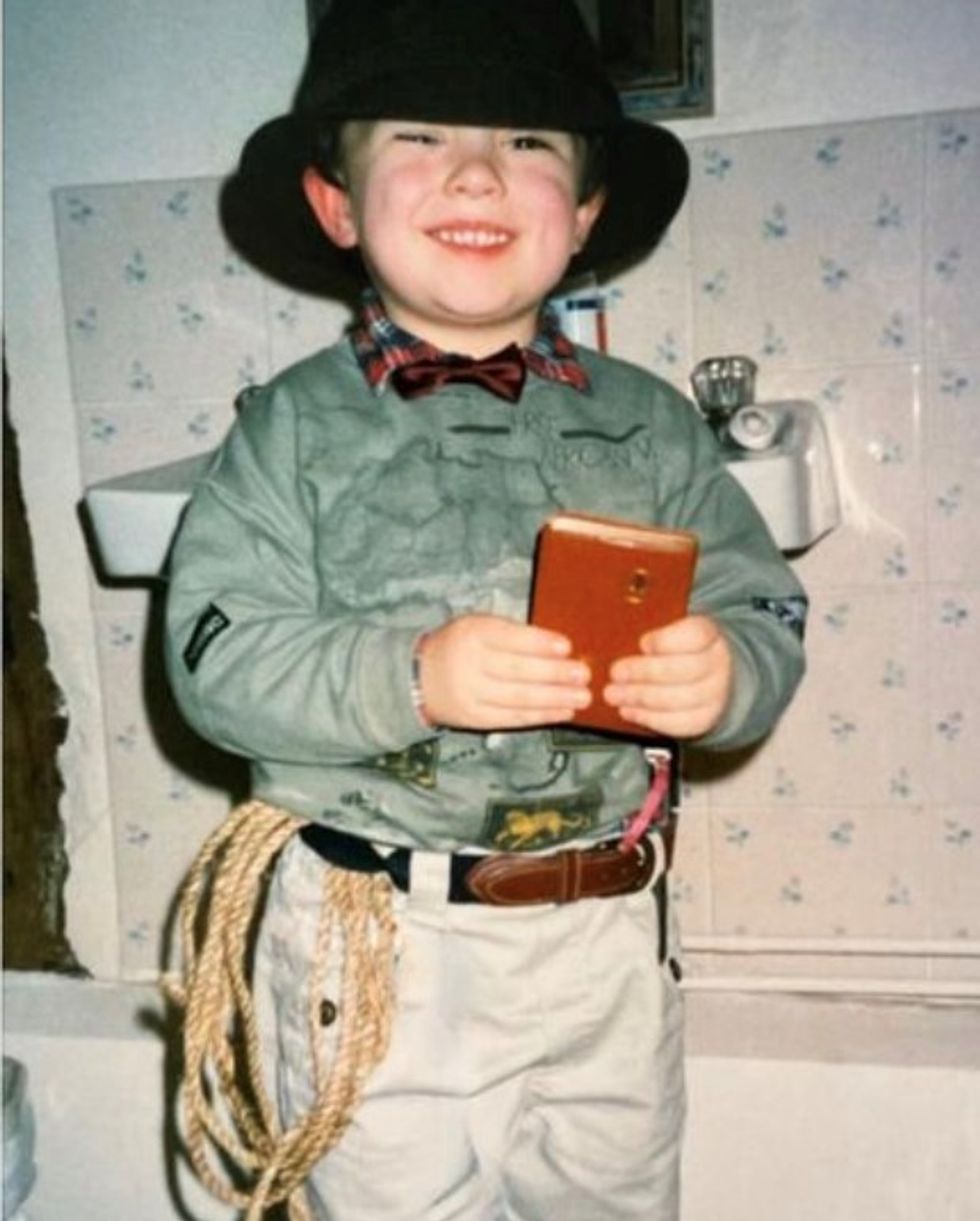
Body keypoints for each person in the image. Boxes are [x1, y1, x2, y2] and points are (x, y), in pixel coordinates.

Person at [164, 2, 807, 1218]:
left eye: (527, 143)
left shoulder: (656, 421)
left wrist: (730, 671)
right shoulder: (288, 428)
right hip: (372, 934)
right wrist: (407, 675)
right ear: (335, 204)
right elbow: (215, 658)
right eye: (416, 133)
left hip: (603, 931)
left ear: (587, 211)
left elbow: (760, 594)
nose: (474, 169)